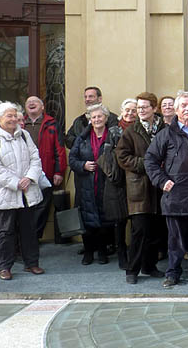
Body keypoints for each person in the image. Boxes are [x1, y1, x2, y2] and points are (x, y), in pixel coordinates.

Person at [145, 91, 188, 288]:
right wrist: (161, 180)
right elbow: (150, 160)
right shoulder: (165, 134)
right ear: (176, 110)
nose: (187, 109)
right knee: (175, 240)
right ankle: (173, 272)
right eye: (183, 106)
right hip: (176, 195)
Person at [0, 102, 45, 280]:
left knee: (29, 230)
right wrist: (16, 182)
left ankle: (32, 263)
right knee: (5, 232)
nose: (12, 119)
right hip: (6, 193)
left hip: (27, 192)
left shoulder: (24, 135)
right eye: (8, 116)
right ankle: (4, 267)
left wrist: (30, 178)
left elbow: (36, 159)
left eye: (14, 115)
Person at [116, 92, 166, 284]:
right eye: (139, 108)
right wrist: (146, 164)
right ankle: (132, 269)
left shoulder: (164, 128)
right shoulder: (131, 131)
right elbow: (122, 156)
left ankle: (150, 265)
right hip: (140, 187)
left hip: (159, 187)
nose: (141, 111)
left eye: (145, 107)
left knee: (155, 231)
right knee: (139, 231)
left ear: (154, 108)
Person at [69, 103, 114, 266]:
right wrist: (83, 166)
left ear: (106, 118)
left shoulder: (112, 136)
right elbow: (72, 160)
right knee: (87, 220)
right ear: (89, 120)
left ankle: (102, 251)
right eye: (93, 117)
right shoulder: (82, 138)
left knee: (104, 220)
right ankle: (88, 252)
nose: (97, 119)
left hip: (106, 184)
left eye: (100, 116)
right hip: (86, 185)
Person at [96, 98, 137, 270]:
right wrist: (114, 175)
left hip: (136, 179)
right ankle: (122, 254)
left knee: (137, 221)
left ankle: (136, 255)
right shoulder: (113, 130)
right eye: (127, 110)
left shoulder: (141, 129)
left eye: (133, 110)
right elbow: (106, 155)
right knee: (120, 221)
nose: (130, 113)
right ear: (121, 110)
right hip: (118, 181)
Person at [23, 96, 67, 239]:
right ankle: (24, 239)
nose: (31, 104)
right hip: (23, 174)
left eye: (34, 102)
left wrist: (59, 172)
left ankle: (33, 239)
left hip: (46, 171)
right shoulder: (19, 123)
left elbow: (59, 149)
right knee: (24, 207)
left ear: (42, 107)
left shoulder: (52, 123)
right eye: (28, 102)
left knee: (42, 207)